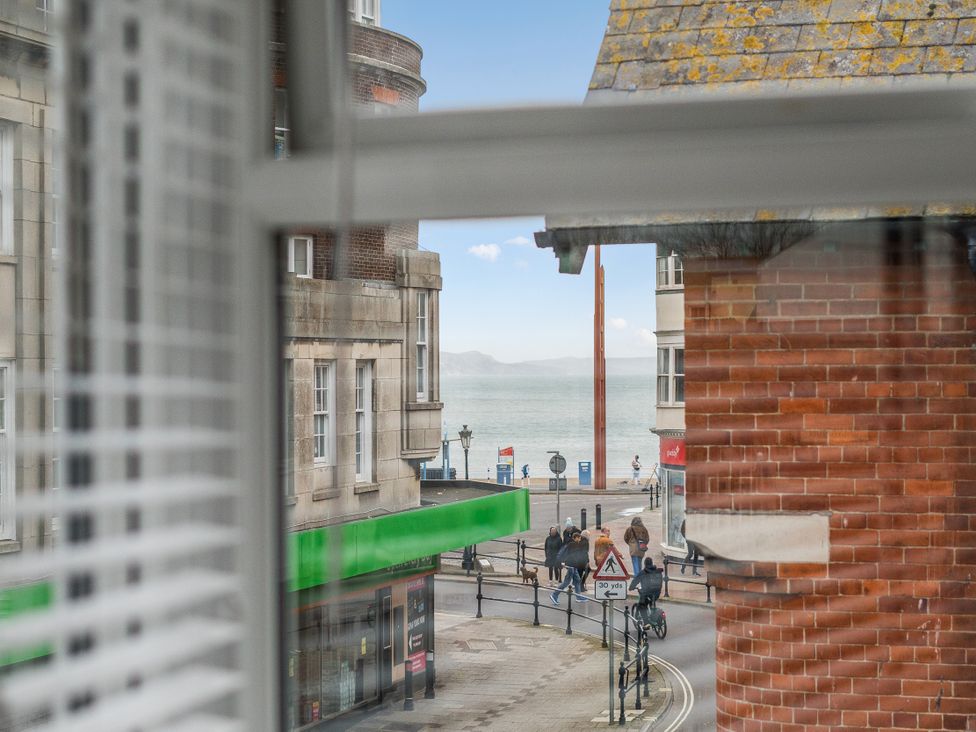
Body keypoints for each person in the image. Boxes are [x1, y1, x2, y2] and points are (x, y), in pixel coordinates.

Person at [550, 531, 589, 604]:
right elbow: (564, 553)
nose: (580, 539)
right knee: (566, 582)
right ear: (575, 538)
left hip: (574, 566)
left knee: (577, 581)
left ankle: (578, 596)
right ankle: (554, 594)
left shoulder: (576, 545)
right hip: (570, 565)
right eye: (578, 538)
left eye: (580, 538)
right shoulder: (571, 545)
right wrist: (562, 562)